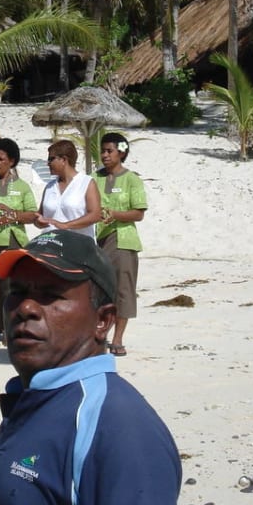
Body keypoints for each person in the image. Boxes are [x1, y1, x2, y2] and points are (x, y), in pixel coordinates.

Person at [0, 229, 181, 505]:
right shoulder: (36, 399)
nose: (26, 308)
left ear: (103, 320)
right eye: (17, 291)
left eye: (52, 295)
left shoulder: (119, 429)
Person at [93, 132, 147, 357]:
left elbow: (138, 213)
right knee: (97, 290)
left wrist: (115, 214)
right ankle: (98, 334)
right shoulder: (94, 178)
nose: (105, 155)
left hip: (123, 240)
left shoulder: (132, 179)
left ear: (122, 152)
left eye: (110, 151)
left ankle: (117, 338)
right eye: (103, 151)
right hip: (97, 240)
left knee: (123, 290)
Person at [0, 138, 37, 339]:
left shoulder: (22, 187)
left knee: (11, 286)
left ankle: (9, 329)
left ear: (11, 161)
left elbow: (32, 215)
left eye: (0, 159)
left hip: (14, 240)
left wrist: (10, 213)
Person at [34, 139, 102, 239]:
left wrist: (66, 225)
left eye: (51, 159)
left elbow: (95, 215)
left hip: (78, 244)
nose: (48, 163)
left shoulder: (86, 183)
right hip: (50, 243)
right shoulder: (49, 187)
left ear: (63, 160)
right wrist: (38, 221)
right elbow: (39, 216)